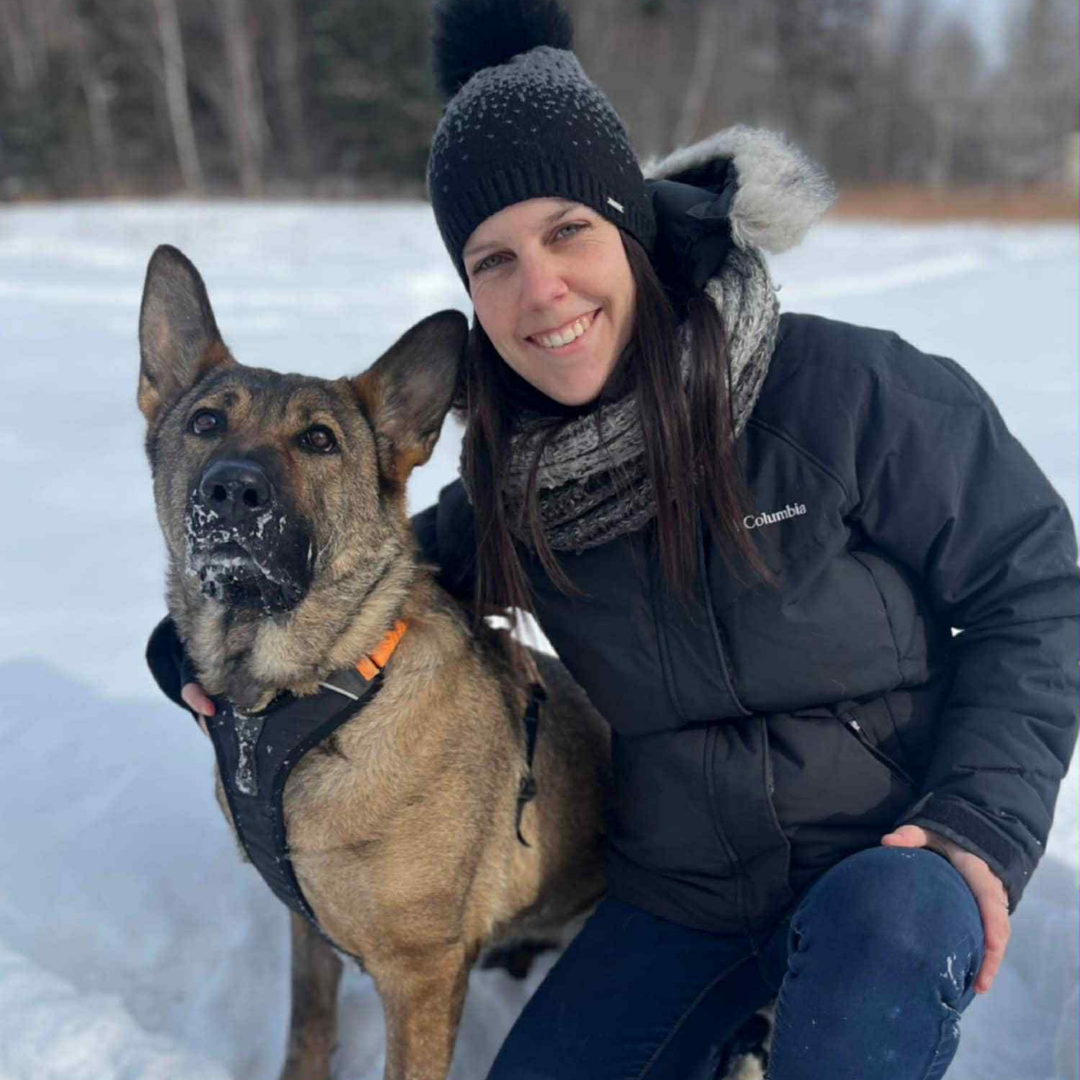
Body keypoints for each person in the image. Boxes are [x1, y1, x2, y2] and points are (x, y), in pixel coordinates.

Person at [147, 0, 1080, 1076]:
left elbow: (1035, 591)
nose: (540, 288)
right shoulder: (523, 483)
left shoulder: (849, 392)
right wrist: (195, 648)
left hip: (887, 864)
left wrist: (979, 824)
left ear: (629, 228)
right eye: (492, 259)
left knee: (877, 959)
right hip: (681, 895)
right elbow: (378, 562)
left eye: (568, 232)